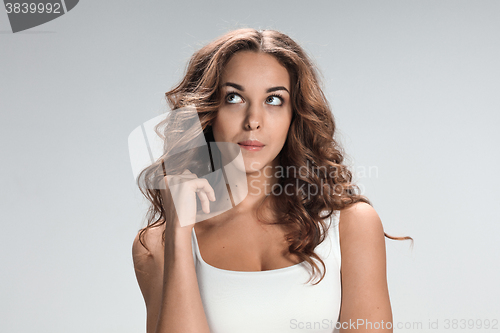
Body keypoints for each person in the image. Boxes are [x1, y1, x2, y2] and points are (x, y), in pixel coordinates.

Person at [132, 28, 409, 333]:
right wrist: (179, 234)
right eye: (234, 98)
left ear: (295, 114)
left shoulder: (350, 225)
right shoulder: (157, 243)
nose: (253, 120)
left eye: (274, 100)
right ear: (207, 110)